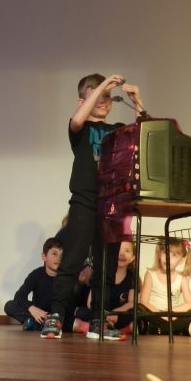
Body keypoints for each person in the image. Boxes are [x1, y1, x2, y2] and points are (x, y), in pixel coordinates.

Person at [41, 73, 144, 341]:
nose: (103, 100)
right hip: (84, 202)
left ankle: (99, 319)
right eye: (97, 96)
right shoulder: (81, 129)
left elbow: (144, 132)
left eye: (107, 97)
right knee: (72, 260)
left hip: (113, 204)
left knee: (106, 265)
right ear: (83, 101)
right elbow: (77, 119)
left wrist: (137, 99)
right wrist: (102, 87)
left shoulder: (117, 130)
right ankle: (56, 316)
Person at [74, 240, 136, 335]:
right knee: (81, 312)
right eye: (118, 249)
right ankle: (105, 326)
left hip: (118, 314)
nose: (122, 254)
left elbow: (132, 303)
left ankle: (116, 328)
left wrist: (115, 312)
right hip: (99, 313)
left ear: (132, 258)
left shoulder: (132, 276)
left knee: (134, 313)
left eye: (127, 250)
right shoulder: (102, 273)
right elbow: (90, 302)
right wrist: (104, 315)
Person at [139, 239, 191, 336]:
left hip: (172, 315)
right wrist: (160, 314)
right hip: (154, 315)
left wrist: (171, 312)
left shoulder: (182, 278)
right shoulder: (150, 274)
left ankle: (162, 330)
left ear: (182, 259)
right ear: (159, 254)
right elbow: (144, 302)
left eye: (174, 255)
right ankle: (180, 328)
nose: (168, 258)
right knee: (139, 308)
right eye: (165, 253)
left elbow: (190, 303)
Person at [4, 238, 63, 330]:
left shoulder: (65, 277)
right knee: (9, 305)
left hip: (56, 315)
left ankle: (40, 324)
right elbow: (19, 296)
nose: (58, 258)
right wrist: (31, 308)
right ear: (44, 256)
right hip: (38, 314)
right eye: (54, 254)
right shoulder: (36, 274)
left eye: (61, 255)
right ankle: (39, 324)